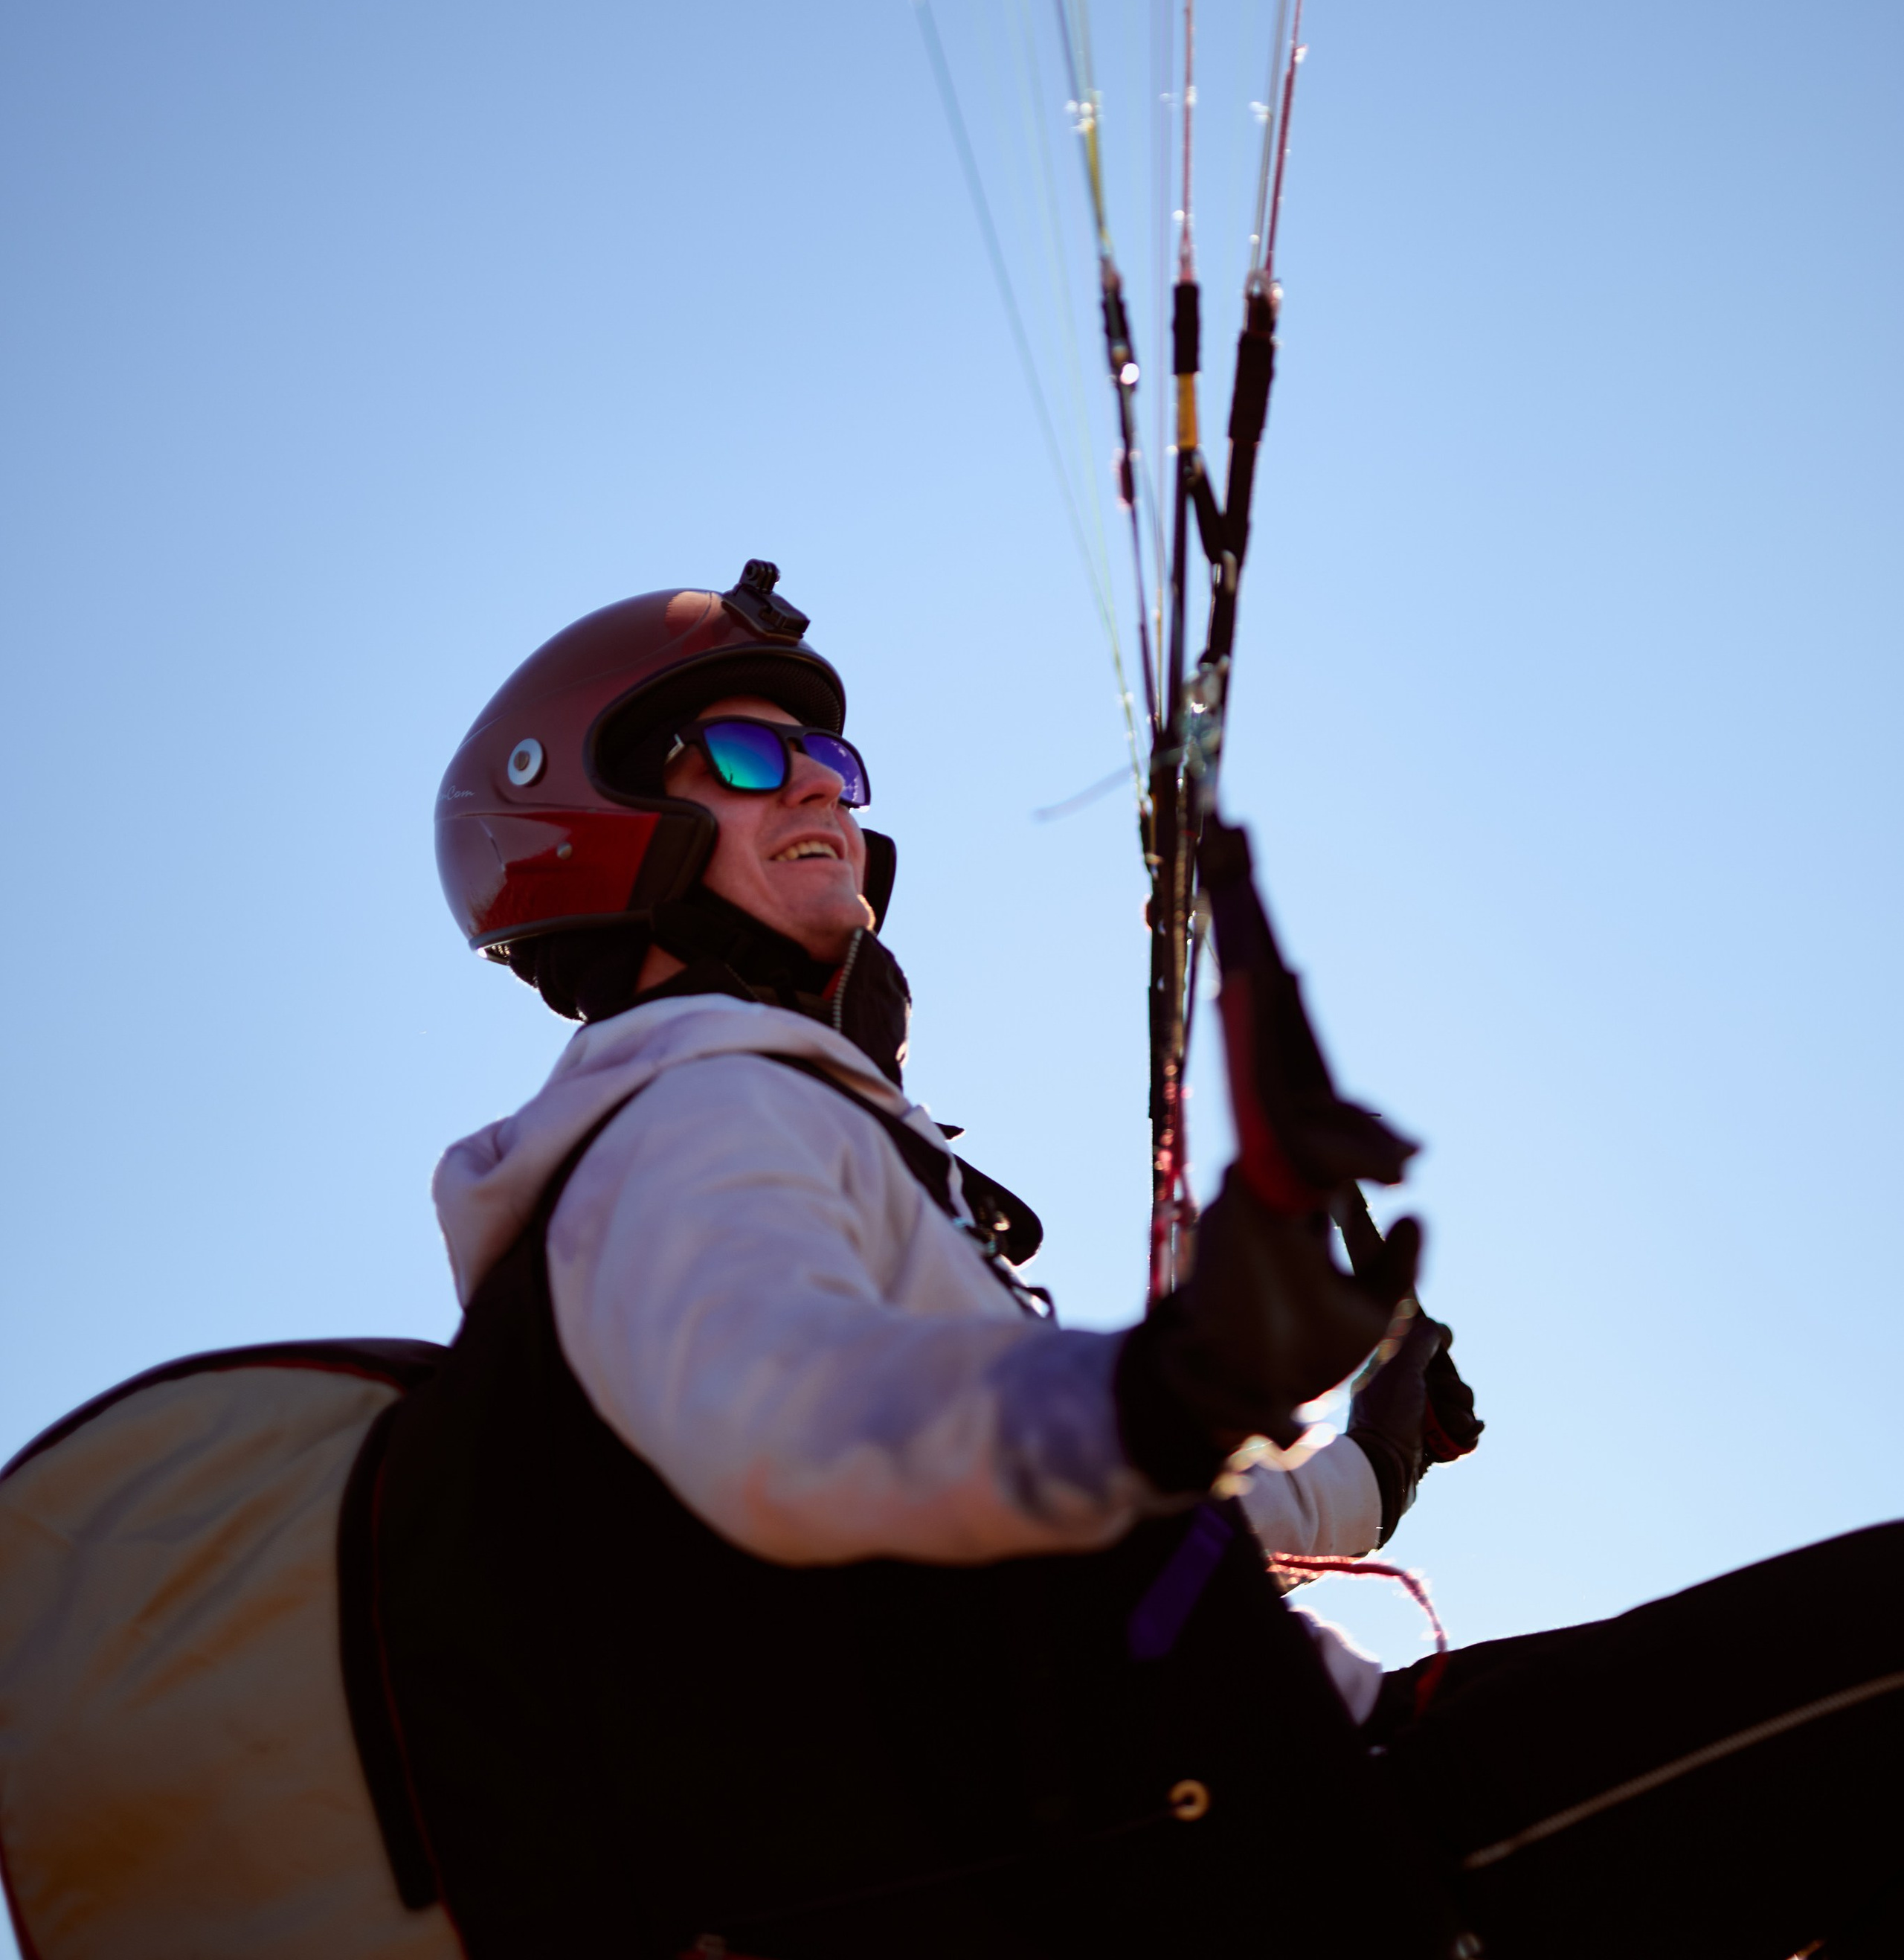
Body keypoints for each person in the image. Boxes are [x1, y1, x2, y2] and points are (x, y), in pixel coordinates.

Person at [367, 561, 1901, 1960]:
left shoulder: (757, 1125)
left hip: (1287, 1783)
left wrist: (1363, 1462)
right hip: (1307, 1836)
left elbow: (1104, 1521)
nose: (823, 794)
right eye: (758, 760)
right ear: (600, 820)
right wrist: (1182, 1375)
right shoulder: (689, 1105)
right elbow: (789, 1424)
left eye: (834, 764)